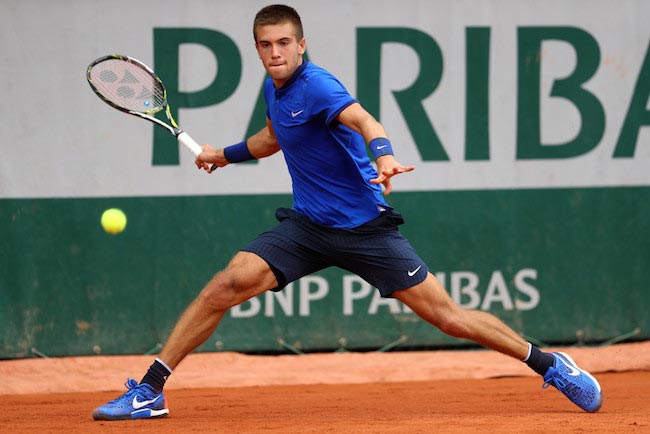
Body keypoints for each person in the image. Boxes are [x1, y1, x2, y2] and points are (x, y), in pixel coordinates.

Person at [92, 4, 602, 420]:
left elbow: (362, 118)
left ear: (301, 44)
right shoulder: (276, 88)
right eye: (266, 45)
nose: (276, 53)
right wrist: (223, 154)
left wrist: (383, 153)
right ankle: (151, 389)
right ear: (257, 48)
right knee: (225, 285)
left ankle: (551, 364)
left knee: (448, 318)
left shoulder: (318, 85)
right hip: (308, 227)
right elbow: (274, 137)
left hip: (365, 230)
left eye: (284, 43)